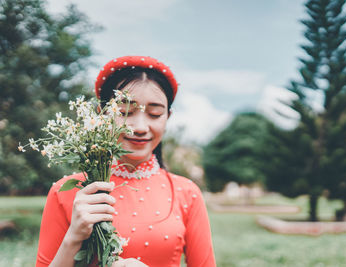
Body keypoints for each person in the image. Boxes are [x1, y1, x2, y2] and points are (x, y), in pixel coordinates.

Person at [36, 56, 216, 267]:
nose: (139, 126)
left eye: (155, 113)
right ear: (100, 114)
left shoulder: (187, 193)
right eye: (125, 112)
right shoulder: (66, 191)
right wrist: (73, 237)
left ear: (168, 116)